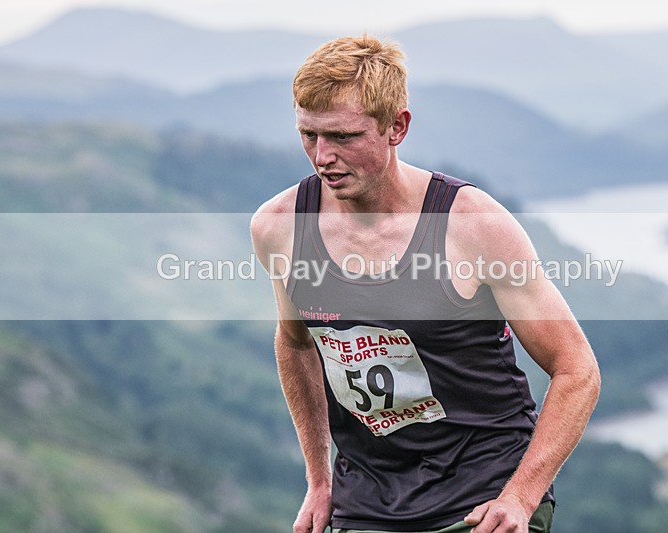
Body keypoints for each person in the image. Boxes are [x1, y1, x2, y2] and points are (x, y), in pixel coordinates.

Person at [251, 35, 601, 533]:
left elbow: (576, 369)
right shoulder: (279, 227)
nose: (322, 155)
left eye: (344, 137)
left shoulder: (473, 224)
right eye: (309, 135)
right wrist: (318, 479)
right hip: (366, 505)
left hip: (482, 502)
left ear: (397, 127)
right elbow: (296, 345)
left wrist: (521, 498)